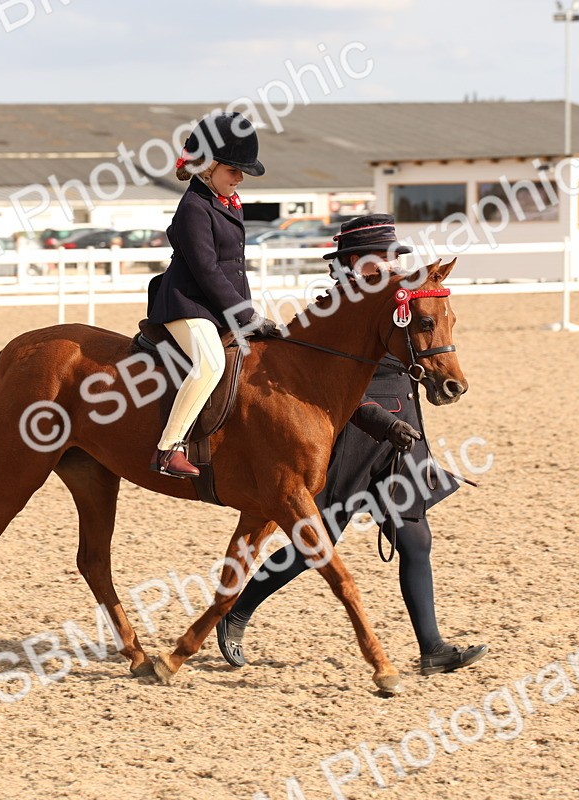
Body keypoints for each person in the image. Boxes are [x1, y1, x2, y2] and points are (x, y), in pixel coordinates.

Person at [215, 215, 489, 676]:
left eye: (393, 257)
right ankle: (237, 612)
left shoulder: (395, 302)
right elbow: (328, 390)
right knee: (315, 544)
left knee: (416, 538)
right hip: (353, 438)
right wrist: (382, 421)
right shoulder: (329, 313)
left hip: (402, 440)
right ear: (350, 263)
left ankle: (433, 648)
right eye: (379, 258)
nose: (390, 265)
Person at [147, 112, 279, 478]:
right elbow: (208, 270)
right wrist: (244, 314)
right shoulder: (193, 207)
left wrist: (250, 316)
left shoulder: (225, 202)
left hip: (217, 306)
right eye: (233, 171)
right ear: (207, 167)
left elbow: (234, 266)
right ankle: (168, 448)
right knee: (211, 364)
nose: (239, 179)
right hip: (186, 304)